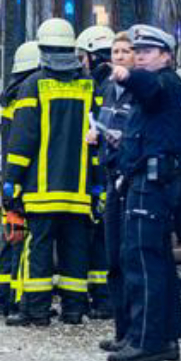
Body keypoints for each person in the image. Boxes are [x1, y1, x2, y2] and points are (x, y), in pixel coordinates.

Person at [107, 25, 181, 361]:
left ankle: (147, 341)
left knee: (143, 264)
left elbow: (148, 88)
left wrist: (126, 75)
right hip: (148, 184)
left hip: (151, 187)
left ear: (166, 56)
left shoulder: (164, 82)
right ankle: (158, 337)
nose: (139, 57)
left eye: (147, 52)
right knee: (156, 264)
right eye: (137, 52)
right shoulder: (166, 85)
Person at [3, 18, 94, 326]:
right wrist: (97, 185)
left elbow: (22, 141)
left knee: (39, 251)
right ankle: (73, 310)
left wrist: (12, 182)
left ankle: (36, 312)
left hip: (41, 191)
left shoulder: (33, 85)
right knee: (75, 251)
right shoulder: (88, 85)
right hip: (79, 192)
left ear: (42, 48)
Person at [95, 32, 137, 353]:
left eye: (125, 51)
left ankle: (134, 333)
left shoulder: (140, 92)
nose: (119, 56)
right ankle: (122, 332)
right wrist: (96, 137)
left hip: (130, 181)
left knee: (128, 260)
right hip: (112, 179)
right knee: (114, 262)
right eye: (115, 51)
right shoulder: (109, 89)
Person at [0, 41, 40, 319]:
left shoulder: (9, 100)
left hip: (9, 179)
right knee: (22, 245)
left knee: (10, 241)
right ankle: (16, 300)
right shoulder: (26, 100)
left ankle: (5, 300)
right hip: (22, 181)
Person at [77, 25, 116, 321]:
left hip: (104, 176)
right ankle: (102, 299)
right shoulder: (107, 85)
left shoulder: (104, 87)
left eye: (84, 57)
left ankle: (104, 301)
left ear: (93, 56)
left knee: (102, 241)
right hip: (104, 175)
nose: (82, 63)